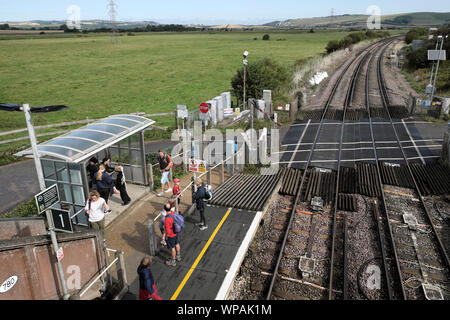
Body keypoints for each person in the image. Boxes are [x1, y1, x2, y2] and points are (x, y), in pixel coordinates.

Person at [164, 202, 181, 267]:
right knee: (177, 243)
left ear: (164, 209)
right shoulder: (173, 214)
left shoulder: (167, 219)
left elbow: (167, 231)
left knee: (172, 248)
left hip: (171, 235)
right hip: (176, 233)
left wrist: (166, 237)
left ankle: (173, 261)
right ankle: (178, 256)